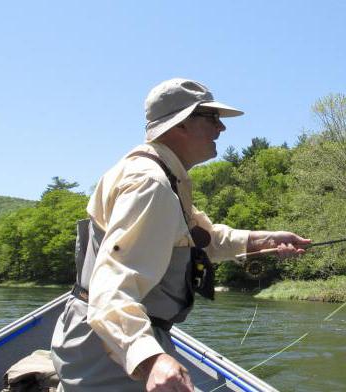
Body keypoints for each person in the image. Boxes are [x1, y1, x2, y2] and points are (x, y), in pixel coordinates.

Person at [51, 78, 310, 391]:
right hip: (111, 348)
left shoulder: (160, 174)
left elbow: (203, 239)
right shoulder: (151, 184)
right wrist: (150, 360)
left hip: (107, 338)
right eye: (212, 118)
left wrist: (264, 240)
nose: (221, 129)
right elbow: (111, 287)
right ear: (181, 124)